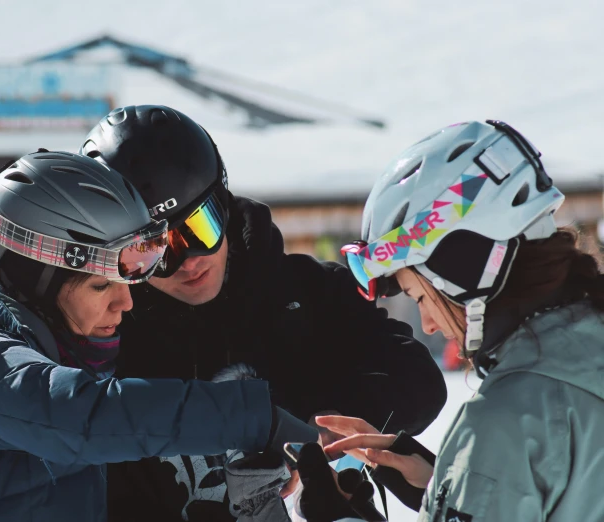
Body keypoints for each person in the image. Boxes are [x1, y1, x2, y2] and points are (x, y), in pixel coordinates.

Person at [0, 151, 318, 522]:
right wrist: (258, 417)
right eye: (101, 285)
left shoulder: (63, 350)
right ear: (41, 281)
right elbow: (84, 416)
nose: (125, 303)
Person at [80, 105, 447, 520]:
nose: (189, 262)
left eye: (201, 228)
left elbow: (418, 382)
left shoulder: (306, 292)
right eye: (155, 249)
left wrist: (302, 428)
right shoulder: (107, 335)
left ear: (224, 204)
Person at [298, 119, 604, 521]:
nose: (426, 324)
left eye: (419, 296)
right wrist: (446, 482)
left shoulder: (509, 417)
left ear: (464, 269)